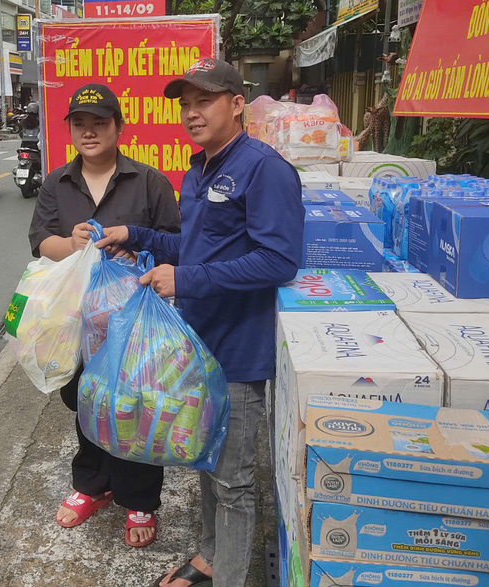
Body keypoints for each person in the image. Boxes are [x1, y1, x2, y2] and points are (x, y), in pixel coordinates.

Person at [96, 58, 305, 586]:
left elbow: (279, 261)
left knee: (233, 483)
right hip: (197, 347)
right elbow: (193, 247)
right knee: (207, 465)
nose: (191, 113)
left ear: (237, 104)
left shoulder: (265, 169)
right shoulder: (198, 169)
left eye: (204, 101)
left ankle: (230, 575)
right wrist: (135, 234)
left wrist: (185, 281)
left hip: (237, 352)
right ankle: (210, 557)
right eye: (185, 104)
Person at [28, 83, 181, 548]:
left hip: (133, 320)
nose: (89, 132)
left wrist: (137, 249)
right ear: (70, 129)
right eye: (80, 124)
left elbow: (173, 241)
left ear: (118, 126)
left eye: (99, 123)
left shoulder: (149, 181)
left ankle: (140, 497)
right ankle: (94, 483)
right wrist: (71, 245)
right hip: (77, 320)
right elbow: (40, 242)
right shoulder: (57, 181)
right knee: (84, 399)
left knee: (135, 405)